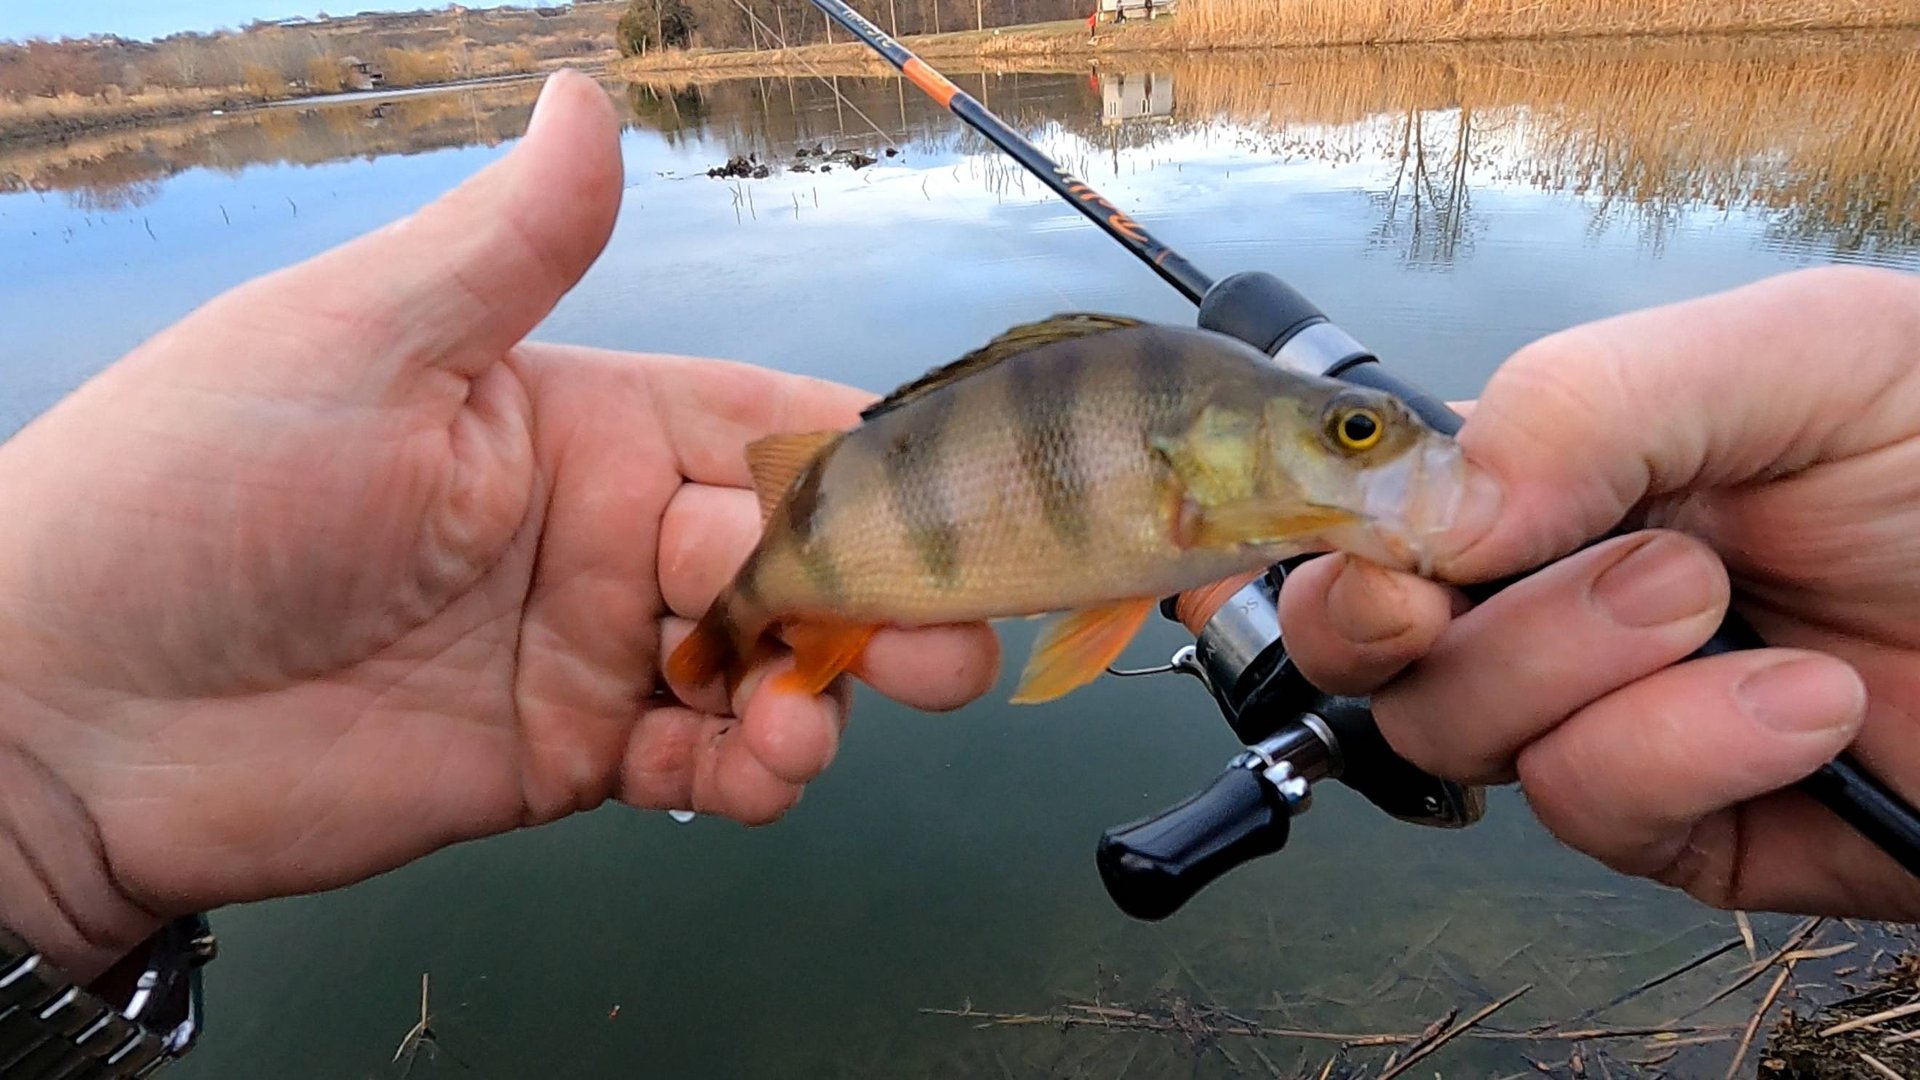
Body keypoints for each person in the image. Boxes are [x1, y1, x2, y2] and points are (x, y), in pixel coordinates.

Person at [1, 68, 1916, 1003]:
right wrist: (47, 793)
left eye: (1359, 432)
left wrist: (51, 806)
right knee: (849, 630)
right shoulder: (1191, 494)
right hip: (836, 561)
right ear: (1236, 467)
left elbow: (1097, 599)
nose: (1380, 446)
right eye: (1348, 430)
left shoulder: (1207, 507)